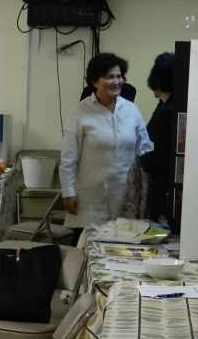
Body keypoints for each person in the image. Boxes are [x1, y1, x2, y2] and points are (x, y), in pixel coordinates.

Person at [60, 53, 152, 246]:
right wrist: (68, 191)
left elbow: (144, 149)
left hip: (126, 195)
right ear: (95, 81)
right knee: (86, 247)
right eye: (109, 77)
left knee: (122, 248)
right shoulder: (79, 111)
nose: (116, 82)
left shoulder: (132, 110)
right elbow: (69, 157)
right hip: (90, 197)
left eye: (119, 76)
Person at [135, 52, 175, 224]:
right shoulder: (166, 105)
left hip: (165, 182)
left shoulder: (169, 111)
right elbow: (150, 131)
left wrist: (142, 159)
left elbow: (163, 158)